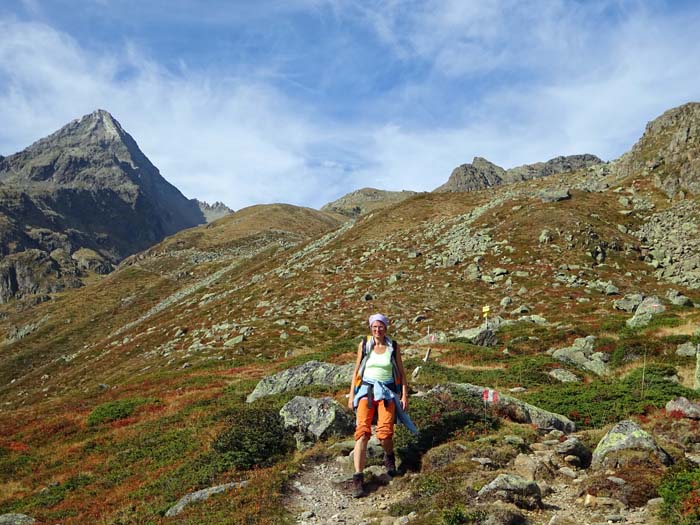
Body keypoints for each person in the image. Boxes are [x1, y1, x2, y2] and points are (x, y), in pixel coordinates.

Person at [348, 313, 414, 498]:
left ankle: (389, 456)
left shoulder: (393, 346)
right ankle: (358, 478)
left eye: (381, 326)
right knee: (361, 433)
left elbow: (401, 371)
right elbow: (356, 371)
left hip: (386, 393)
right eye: (374, 327)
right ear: (370, 328)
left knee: (385, 434)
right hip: (366, 391)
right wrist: (352, 394)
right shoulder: (365, 344)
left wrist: (404, 394)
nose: (378, 330)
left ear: (386, 327)